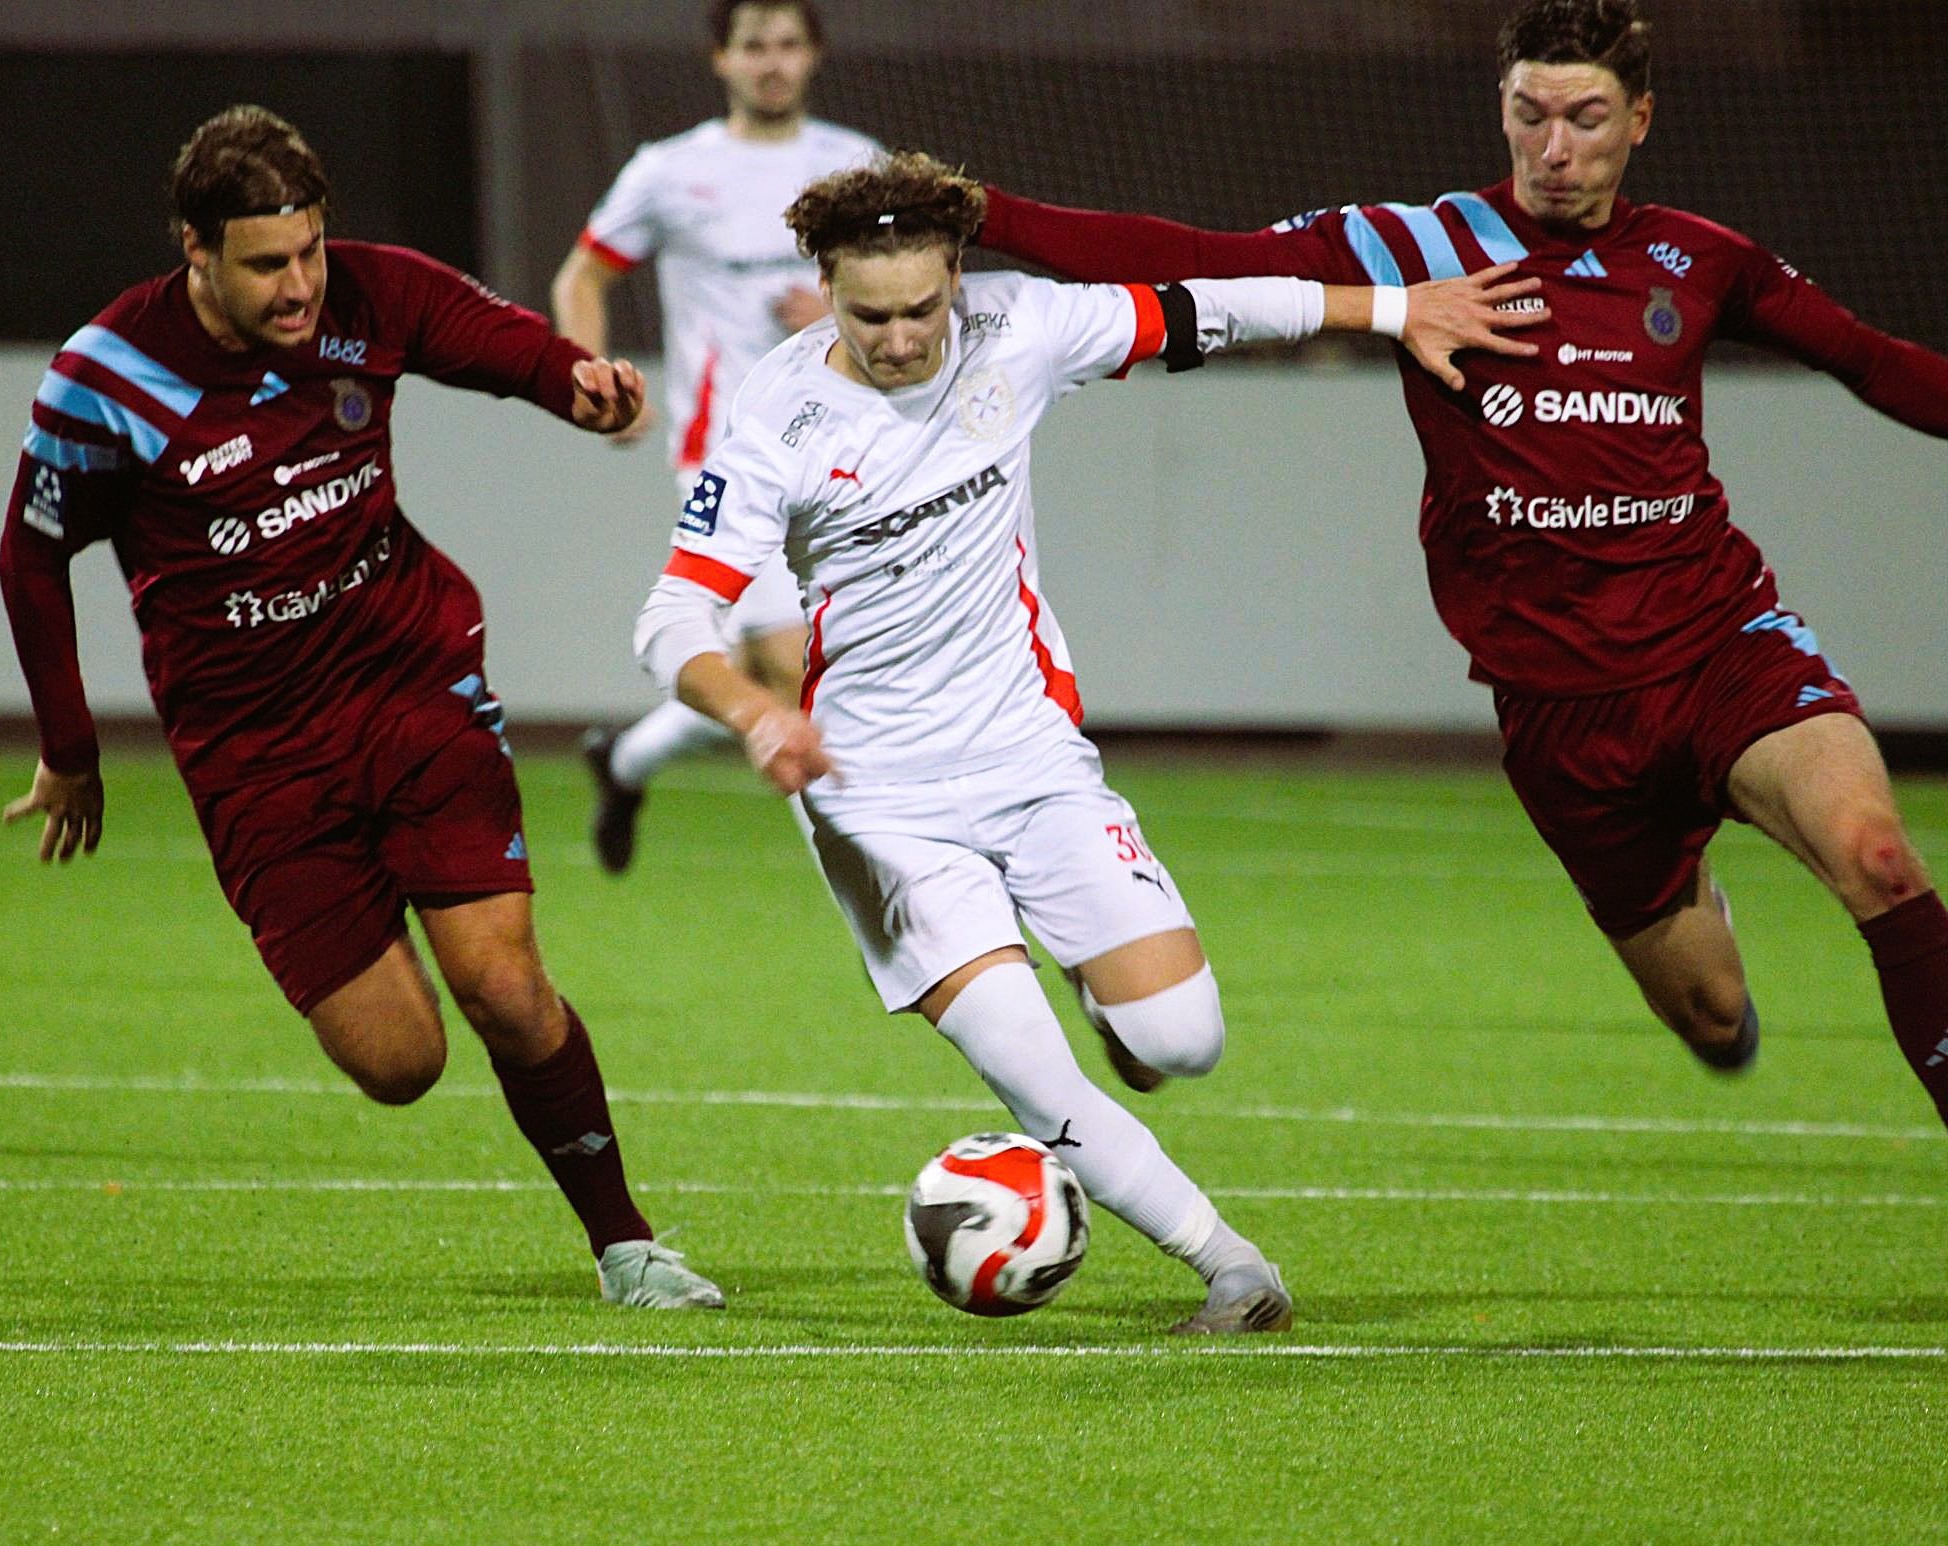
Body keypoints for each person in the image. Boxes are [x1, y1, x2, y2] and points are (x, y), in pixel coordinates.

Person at [970, 0, 1948, 1310]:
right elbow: (1194, 256)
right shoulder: (1418, 250)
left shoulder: (1701, 259)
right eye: (1530, 114)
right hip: (1565, 718)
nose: (1555, 146)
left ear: (1640, 120)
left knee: (1875, 854)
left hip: (1721, 644)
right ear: (1503, 109)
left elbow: (1873, 361)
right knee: (1710, 1016)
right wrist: (987, 213)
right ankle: (1700, 901)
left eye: (1585, 117)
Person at [634, 151, 1544, 1332]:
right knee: (1030, 1067)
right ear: (826, 289)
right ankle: (1233, 1268)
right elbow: (670, 615)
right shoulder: (777, 416)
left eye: (921, 309)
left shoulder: (1022, 326)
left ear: (958, 275)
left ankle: (1110, 1005)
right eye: (869, 316)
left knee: (1181, 1039)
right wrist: (756, 711)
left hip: (1031, 759)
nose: (901, 339)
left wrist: (1389, 311)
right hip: (879, 800)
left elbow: (1207, 304)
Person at [0, 105, 724, 1310]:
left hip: (406, 677)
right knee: (400, 1061)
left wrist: (578, 387)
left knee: (503, 985)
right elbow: (31, 556)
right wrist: (70, 750)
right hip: (253, 751)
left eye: (310, 251)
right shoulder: (106, 378)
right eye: (265, 263)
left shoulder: (367, 297)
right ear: (194, 249)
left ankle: (627, 1245)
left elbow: (494, 341)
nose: (298, 287)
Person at [552, 0, 880, 872]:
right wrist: (595, 383)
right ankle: (882, 889)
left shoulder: (858, 166)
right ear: (721, 60)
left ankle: (626, 759)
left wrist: (843, 312)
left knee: (792, 664)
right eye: (753, 46)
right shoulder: (670, 171)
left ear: (813, 55)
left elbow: (924, 290)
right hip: (727, 455)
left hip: (851, 453)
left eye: (787, 45)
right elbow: (582, 276)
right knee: (789, 664)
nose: (771, 63)